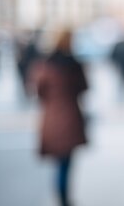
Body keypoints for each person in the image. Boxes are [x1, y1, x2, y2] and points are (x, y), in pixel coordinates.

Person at [31, 30, 88, 206]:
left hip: (52, 118)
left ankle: (62, 197)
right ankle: (64, 198)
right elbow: (84, 87)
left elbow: (39, 91)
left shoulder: (45, 64)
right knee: (66, 162)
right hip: (70, 117)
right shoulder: (74, 65)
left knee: (60, 163)